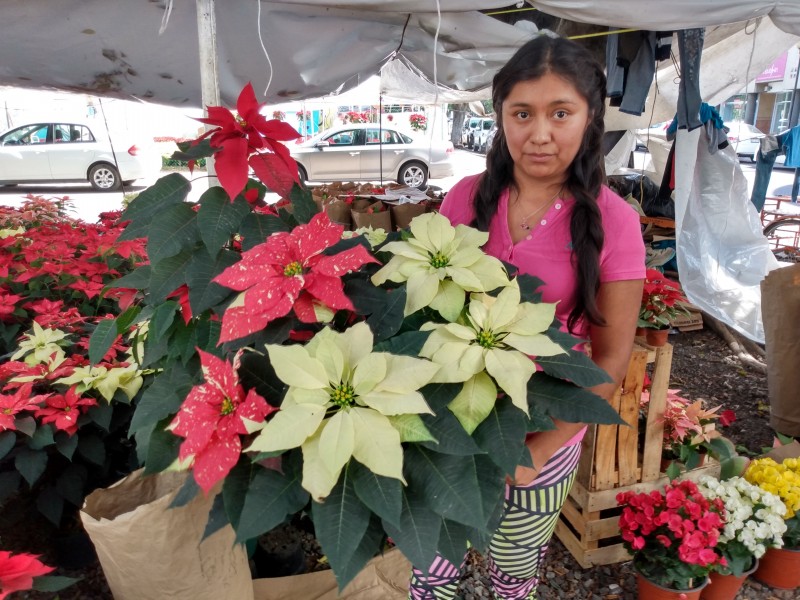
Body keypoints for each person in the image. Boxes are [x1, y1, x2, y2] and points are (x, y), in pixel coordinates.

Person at [407, 35, 645, 600]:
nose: (540, 133)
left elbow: (609, 358)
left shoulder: (614, 222)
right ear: (500, 117)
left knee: (512, 574)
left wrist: (537, 449)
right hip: (449, 427)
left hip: (545, 433)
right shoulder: (465, 199)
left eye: (560, 113)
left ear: (590, 118)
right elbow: (424, 311)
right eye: (522, 113)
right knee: (430, 566)